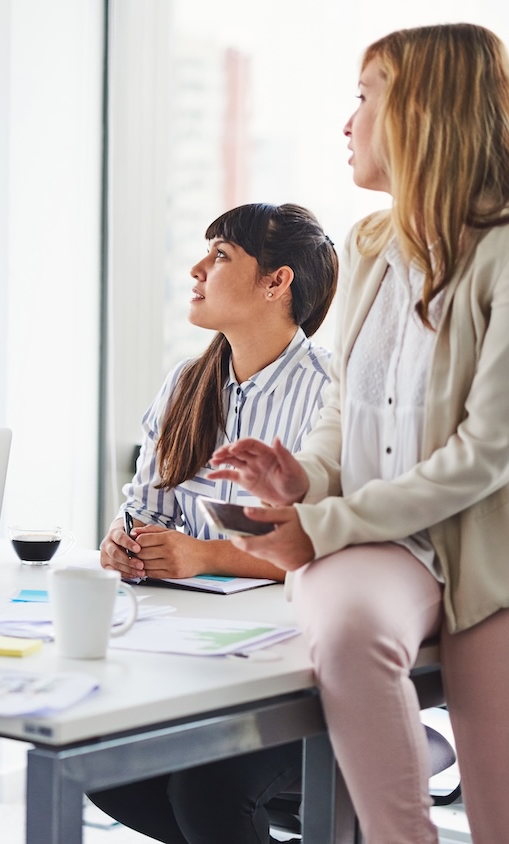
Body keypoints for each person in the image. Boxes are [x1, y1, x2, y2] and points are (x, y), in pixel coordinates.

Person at [210, 24, 509, 843]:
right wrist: (302, 480)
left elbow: (488, 453)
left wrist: (320, 525)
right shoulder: (370, 245)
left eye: (363, 97)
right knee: (347, 630)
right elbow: (343, 413)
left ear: (422, 110)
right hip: (389, 551)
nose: (347, 123)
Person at [87, 202, 338, 842]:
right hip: (196, 657)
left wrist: (205, 555)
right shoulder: (187, 384)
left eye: (221, 255)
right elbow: (147, 511)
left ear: (276, 282)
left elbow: (331, 546)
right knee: (101, 764)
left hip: (301, 674)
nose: (199, 268)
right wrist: (126, 545)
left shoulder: (331, 391)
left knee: (208, 789)